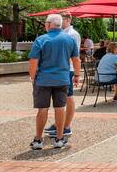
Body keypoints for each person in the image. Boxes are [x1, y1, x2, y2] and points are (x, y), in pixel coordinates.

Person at [28, 14, 80, 150]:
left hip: (43, 80)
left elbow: (33, 61)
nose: (45, 25)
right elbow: (76, 60)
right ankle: (59, 138)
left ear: (50, 24)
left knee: (43, 109)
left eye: (45, 22)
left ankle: (38, 140)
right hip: (62, 79)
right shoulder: (69, 39)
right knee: (60, 108)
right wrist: (77, 75)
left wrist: (32, 77)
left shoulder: (40, 40)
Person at [46, 11, 81, 142]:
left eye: (62, 19)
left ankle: (66, 125)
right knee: (61, 99)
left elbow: (74, 55)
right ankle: (59, 124)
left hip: (68, 69)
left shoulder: (72, 34)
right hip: (63, 69)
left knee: (68, 97)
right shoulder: (64, 34)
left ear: (67, 20)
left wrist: (76, 73)